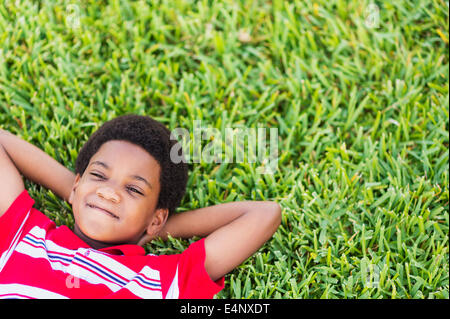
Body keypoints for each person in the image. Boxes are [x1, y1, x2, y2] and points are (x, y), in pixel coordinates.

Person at [0, 114, 281, 299]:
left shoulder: (159, 280)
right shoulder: (24, 235)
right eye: (98, 175)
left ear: (156, 218)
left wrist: (155, 228)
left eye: (133, 189)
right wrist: (78, 193)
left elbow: (263, 214)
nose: (109, 192)